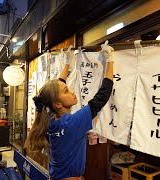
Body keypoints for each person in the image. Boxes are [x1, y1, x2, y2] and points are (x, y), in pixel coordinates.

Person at [24, 42, 114, 180]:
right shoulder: (71, 123)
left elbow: (57, 87)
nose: (72, 91)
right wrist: (110, 60)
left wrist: (67, 64)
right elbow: (102, 97)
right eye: (66, 91)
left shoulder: (50, 119)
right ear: (58, 104)